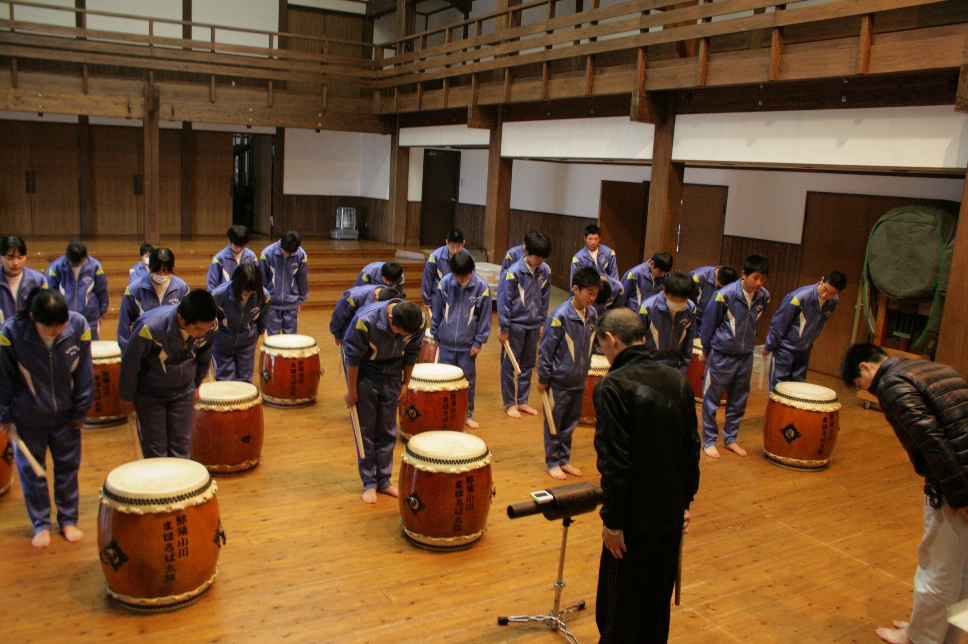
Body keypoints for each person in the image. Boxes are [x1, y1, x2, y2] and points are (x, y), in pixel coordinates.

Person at [841, 344, 968, 644]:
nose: (872, 394)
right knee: (962, 573)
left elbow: (932, 441)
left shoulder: (892, 383)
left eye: (863, 386)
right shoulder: (933, 368)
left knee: (938, 570)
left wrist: (961, 497)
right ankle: (942, 635)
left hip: (957, 484)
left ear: (866, 367)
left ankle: (922, 638)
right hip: (961, 475)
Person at [593, 307, 700, 643]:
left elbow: (615, 463)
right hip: (670, 518)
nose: (603, 353)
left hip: (632, 524)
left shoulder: (613, 386)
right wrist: (684, 504)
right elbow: (691, 449)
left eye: (602, 346)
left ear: (611, 339)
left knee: (618, 615)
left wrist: (612, 523)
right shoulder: (678, 379)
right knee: (656, 610)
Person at [0, 288, 94, 548]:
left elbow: (84, 373)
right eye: (48, 325)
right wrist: (4, 413)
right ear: (32, 317)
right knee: (32, 472)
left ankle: (67, 519)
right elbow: (4, 377)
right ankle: (40, 523)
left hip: (66, 415)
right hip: (28, 415)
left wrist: (80, 409)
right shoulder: (11, 333)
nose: (55, 330)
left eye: (60, 324)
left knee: (68, 468)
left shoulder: (78, 326)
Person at [342, 299, 423, 504]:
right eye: (400, 332)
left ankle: (384, 480)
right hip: (366, 373)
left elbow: (412, 352)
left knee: (387, 430)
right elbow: (351, 357)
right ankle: (369, 481)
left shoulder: (417, 321)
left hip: (393, 374)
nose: (403, 336)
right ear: (390, 318)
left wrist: (406, 383)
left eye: (407, 334)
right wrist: (352, 390)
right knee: (367, 430)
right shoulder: (364, 321)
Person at [120, 290, 218, 459]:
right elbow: (130, 364)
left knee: (181, 445)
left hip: (184, 391)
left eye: (206, 328)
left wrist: (197, 384)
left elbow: (204, 356)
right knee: (155, 448)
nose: (203, 332)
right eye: (198, 329)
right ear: (181, 318)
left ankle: (181, 484)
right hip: (150, 394)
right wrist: (127, 397)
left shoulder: (211, 326)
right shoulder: (149, 328)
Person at [698, 254, 770, 459]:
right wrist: (705, 350)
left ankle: (730, 439)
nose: (759, 283)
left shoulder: (764, 296)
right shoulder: (724, 295)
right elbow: (708, 323)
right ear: (744, 274)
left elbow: (754, 322)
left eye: (763, 278)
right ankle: (709, 440)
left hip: (745, 355)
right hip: (721, 354)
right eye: (755, 277)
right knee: (712, 399)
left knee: (738, 400)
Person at [537, 267, 599, 479]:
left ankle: (564, 459)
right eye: (588, 292)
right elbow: (546, 349)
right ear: (575, 289)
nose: (592, 297)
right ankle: (552, 461)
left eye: (595, 293)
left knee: (570, 423)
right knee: (554, 423)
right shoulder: (560, 315)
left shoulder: (593, 315)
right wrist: (543, 378)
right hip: (559, 381)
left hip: (578, 380)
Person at [430, 251, 491, 429]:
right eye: (456, 275)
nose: (459, 279)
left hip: (468, 346)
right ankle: (444, 413)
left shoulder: (482, 287)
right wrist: (435, 334)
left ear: (471, 271)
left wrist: (479, 341)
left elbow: (485, 317)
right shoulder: (445, 284)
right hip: (446, 342)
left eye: (463, 276)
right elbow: (438, 312)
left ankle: (467, 414)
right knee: (445, 380)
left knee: (467, 382)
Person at [498, 231, 552, 418]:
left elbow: (545, 299)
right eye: (536, 256)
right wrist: (504, 328)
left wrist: (543, 322)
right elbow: (503, 302)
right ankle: (509, 403)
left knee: (528, 364)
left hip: (534, 324)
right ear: (526, 250)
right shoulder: (512, 273)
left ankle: (522, 401)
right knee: (509, 365)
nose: (540, 260)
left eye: (543, 257)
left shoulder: (545, 271)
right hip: (515, 326)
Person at [763, 271, 847, 390]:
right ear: (822, 280)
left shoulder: (834, 302)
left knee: (798, 388)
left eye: (832, 293)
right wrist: (769, 344)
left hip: (804, 350)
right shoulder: (799, 297)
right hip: (785, 349)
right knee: (779, 387)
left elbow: (820, 323)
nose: (825, 295)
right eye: (824, 289)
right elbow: (779, 322)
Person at [116, 247, 190, 352]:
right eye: (159, 272)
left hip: (171, 348)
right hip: (142, 346)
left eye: (166, 272)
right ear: (150, 267)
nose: (162, 276)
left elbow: (187, 321)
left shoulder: (183, 288)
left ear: (173, 268)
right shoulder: (134, 290)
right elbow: (124, 325)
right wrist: (127, 352)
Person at [210, 263, 270, 383]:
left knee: (245, 378)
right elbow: (211, 319)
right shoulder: (219, 295)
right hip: (223, 340)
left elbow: (263, 317)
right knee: (225, 379)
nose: (247, 292)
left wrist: (259, 333)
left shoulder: (263, 296)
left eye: (251, 289)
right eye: (245, 288)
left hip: (247, 340)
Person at [46, 238, 108, 340]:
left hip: (90, 317)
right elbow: (50, 293)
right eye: (73, 262)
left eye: (80, 261)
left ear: (85, 257)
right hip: (63, 317)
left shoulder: (95, 267)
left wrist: (101, 314)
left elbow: (101, 291)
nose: (77, 264)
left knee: (91, 348)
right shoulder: (55, 268)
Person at [638, 270, 697, 372]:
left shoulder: (691, 309)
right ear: (665, 292)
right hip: (649, 364)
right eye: (674, 299)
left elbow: (689, 339)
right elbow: (637, 338)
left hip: (674, 365)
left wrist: (685, 363)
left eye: (683, 300)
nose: (678, 303)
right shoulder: (647, 307)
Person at [259, 230, 309, 335]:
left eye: (290, 253)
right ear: (281, 243)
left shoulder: (301, 255)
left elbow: (302, 280)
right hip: (271, 304)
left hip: (291, 304)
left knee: (290, 342)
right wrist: (263, 301)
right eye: (285, 251)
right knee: (273, 342)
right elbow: (261, 280)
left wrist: (300, 301)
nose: (286, 254)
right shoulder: (267, 254)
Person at [329, 284, 400, 347]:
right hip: (349, 331)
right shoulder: (354, 296)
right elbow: (339, 315)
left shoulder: (390, 296)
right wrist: (337, 334)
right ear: (377, 298)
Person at [0, 235, 48, 324]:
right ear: (1, 257)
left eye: (20, 257)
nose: (15, 263)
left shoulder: (39, 280)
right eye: (10, 258)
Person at [421, 228, 465, 309]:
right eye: (452, 246)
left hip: (459, 299)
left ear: (463, 243)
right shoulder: (435, 257)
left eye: (458, 246)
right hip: (438, 297)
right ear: (447, 243)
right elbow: (427, 279)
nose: (455, 250)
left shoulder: (468, 259)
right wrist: (427, 300)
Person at [688, 265, 738, 333]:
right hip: (694, 320)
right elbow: (686, 300)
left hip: (712, 323)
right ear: (717, 276)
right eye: (722, 285)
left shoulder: (730, 281)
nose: (724, 288)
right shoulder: (698, 276)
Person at [208, 225, 257, 291]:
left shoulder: (252, 256)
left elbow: (256, 280)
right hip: (226, 297)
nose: (239, 248)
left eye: (242, 245)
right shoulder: (219, 259)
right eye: (236, 245)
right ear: (229, 240)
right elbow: (212, 286)